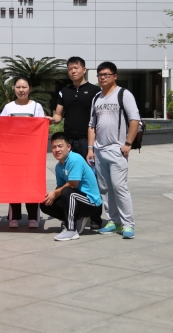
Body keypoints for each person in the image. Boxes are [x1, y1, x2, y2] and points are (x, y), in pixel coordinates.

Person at [46, 56, 104, 228]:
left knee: (92, 177)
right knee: (71, 177)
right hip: (69, 142)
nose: (73, 71)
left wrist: (92, 146)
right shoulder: (64, 91)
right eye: (70, 69)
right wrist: (51, 120)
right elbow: (59, 115)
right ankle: (73, 214)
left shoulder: (95, 91)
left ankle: (95, 218)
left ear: (84, 70)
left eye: (76, 68)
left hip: (87, 141)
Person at [87, 62, 140, 239]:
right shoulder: (97, 98)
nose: (102, 77)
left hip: (117, 150)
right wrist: (90, 148)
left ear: (115, 76)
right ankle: (113, 220)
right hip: (99, 150)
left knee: (119, 187)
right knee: (105, 188)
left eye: (106, 74)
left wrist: (128, 143)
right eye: (100, 75)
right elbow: (91, 125)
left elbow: (134, 120)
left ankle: (128, 224)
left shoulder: (124, 94)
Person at [1, 76, 45, 228]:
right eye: (18, 87)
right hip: (13, 154)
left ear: (30, 89)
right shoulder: (8, 107)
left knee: (31, 184)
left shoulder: (36, 107)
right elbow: (1, 127)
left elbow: (41, 129)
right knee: (14, 185)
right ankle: (14, 217)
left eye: (24, 87)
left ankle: (33, 217)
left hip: (31, 154)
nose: (21, 90)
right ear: (14, 88)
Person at [41, 132, 102, 241]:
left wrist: (55, 193)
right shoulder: (59, 166)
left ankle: (71, 230)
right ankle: (76, 218)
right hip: (76, 199)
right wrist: (52, 196)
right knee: (45, 203)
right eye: (54, 147)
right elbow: (60, 186)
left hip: (91, 203)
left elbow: (73, 184)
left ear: (68, 147)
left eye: (60, 146)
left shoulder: (75, 159)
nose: (57, 150)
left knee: (67, 191)